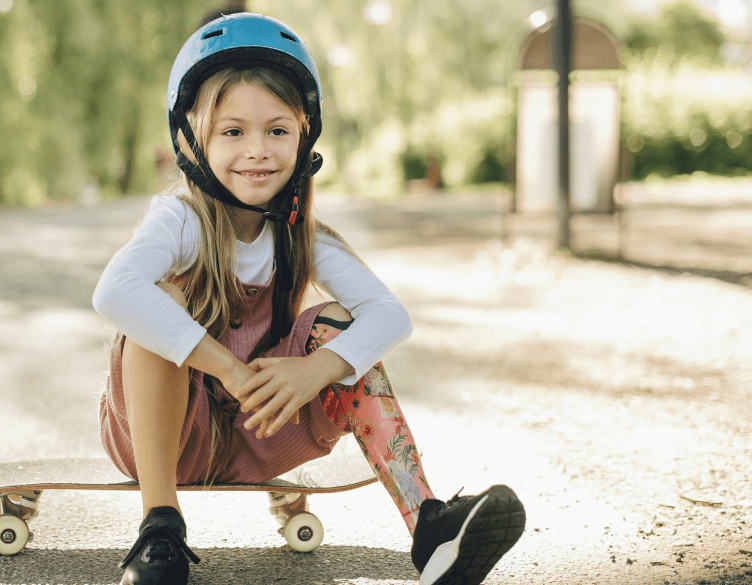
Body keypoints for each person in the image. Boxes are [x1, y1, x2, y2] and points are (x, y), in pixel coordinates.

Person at [92, 13, 525, 585]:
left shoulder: (302, 235)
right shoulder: (180, 221)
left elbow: (389, 315)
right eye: (233, 131)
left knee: (339, 327)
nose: (258, 151)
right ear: (192, 137)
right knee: (159, 302)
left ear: (304, 136)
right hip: (168, 442)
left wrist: (313, 370)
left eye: (277, 130)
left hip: (263, 431)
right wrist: (227, 368)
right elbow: (114, 292)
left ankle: (430, 526)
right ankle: (160, 529)